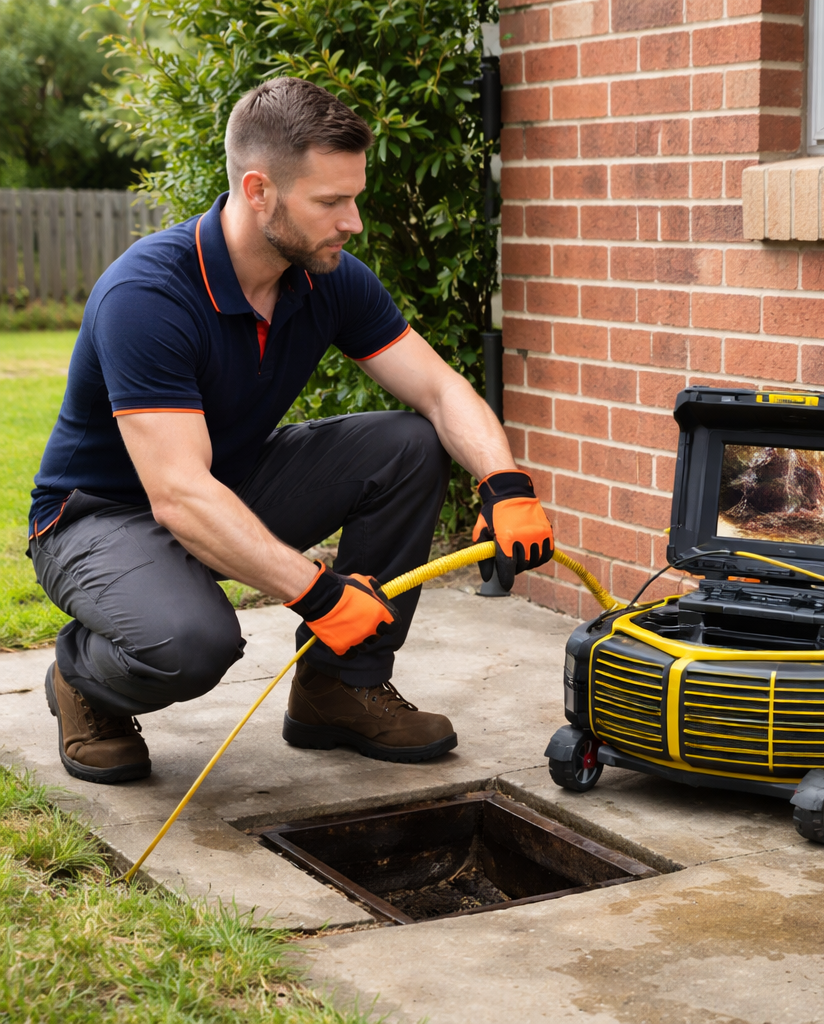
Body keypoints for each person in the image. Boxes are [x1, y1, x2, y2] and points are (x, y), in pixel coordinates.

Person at [28, 77, 554, 785]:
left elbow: (438, 389)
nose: (353, 221)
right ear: (258, 191)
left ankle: (337, 688)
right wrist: (319, 592)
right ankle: (83, 679)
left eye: (355, 197)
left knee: (408, 445)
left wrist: (506, 482)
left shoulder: (326, 277)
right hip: (99, 519)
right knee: (194, 644)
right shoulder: (149, 295)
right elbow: (178, 494)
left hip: (225, 484)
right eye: (331, 202)